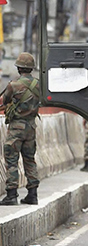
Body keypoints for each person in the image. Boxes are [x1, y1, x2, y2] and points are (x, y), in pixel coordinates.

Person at [0, 53, 41, 206]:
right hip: (31, 127)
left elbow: (5, 101)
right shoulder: (38, 84)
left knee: (11, 159)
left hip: (16, 128)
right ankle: (32, 194)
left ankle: (11, 195)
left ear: (18, 68)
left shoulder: (13, 85)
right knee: (29, 159)